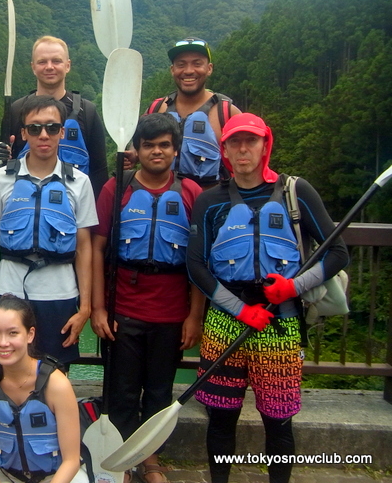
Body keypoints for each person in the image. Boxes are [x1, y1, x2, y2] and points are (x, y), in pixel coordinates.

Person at [186, 113, 349, 483]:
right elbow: (196, 266)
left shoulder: (296, 191)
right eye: (235, 142)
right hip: (226, 320)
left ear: (265, 145)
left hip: (281, 319)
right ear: (224, 150)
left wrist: (293, 288)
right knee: (221, 417)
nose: (244, 149)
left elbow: (337, 252)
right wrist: (240, 309)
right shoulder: (210, 200)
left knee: (278, 420)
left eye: (251, 141)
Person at [90, 113, 204, 483]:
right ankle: (121, 461)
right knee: (120, 390)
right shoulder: (115, 189)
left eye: (164, 145)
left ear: (175, 149)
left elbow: (199, 263)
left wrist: (194, 317)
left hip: (171, 311)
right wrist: (98, 307)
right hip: (124, 308)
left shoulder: (191, 194)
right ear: (136, 150)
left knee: (159, 391)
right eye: (149, 145)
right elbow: (97, 248)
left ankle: (151, 459)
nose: (157, 151)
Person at [0, 95, 97, 368]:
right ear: (24, 133)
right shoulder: (2, 178)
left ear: (62, 132)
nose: (43, 135)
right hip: (10, 291)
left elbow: (84, 248)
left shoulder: (80, 182)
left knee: (53, 373)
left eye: (51, 127)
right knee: (5, 370)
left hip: (59, 294)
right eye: (35, 128)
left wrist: (85, 307)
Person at [0, 295, 86, 483]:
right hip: (4, 476)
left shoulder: (56, 384)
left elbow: (71, 460)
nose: (3, 343)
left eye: (13, 333)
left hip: (56, 477)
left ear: (30, 334)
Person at [0, 36, 108, 197]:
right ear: (33, 67)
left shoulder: (87, 111)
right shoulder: (17, 110)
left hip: (75, 213)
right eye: (42, 62)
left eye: (56, 61)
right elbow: (4, 166)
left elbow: (99, 171)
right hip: (26, 208)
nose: (49, 67)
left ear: (67, 65)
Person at [140, 38, 241, 188]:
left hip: (209, 204)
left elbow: (250, 159)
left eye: (197, 63)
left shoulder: (226, 112)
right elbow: (136, 148)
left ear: (209, 68)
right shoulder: (157, 108)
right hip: (163, 203)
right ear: (172, 70)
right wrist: (130, 155)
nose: (188, 71)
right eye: (181, 64)